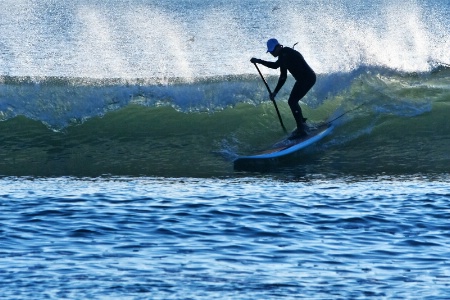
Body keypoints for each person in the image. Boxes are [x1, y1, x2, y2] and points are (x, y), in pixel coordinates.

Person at [251, 38, 316, 139]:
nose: (271, 53)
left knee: (292, 101)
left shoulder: (286, 53)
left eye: (271, 51)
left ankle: (301, 129)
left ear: (277, 48)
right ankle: (302, 124)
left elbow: (275, 66)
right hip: (303, 80)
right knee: (293, 101)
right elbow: (283, 77)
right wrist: (275, 92)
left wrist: (259, 61)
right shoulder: (283, 56)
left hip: (307, 78)